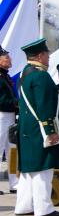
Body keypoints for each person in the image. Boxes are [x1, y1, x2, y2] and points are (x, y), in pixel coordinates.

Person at [15, 38, 59, 216]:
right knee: (42, 169)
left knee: (28, 169)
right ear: (40, 55)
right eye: (47, 55)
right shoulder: (40, 75)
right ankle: (43, 209)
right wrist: (51, 131)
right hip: (40, 130)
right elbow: (44, 106)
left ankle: (23, 207)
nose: (48, 58)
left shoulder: (26, 72)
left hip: (27, 129)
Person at [0, 45, 19, 195]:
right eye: (6, 57)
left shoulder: (5, 75)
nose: (10, 59)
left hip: (10, 115)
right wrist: (16, 104)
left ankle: (14, 183)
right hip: (1, 115)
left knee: (12, 150)